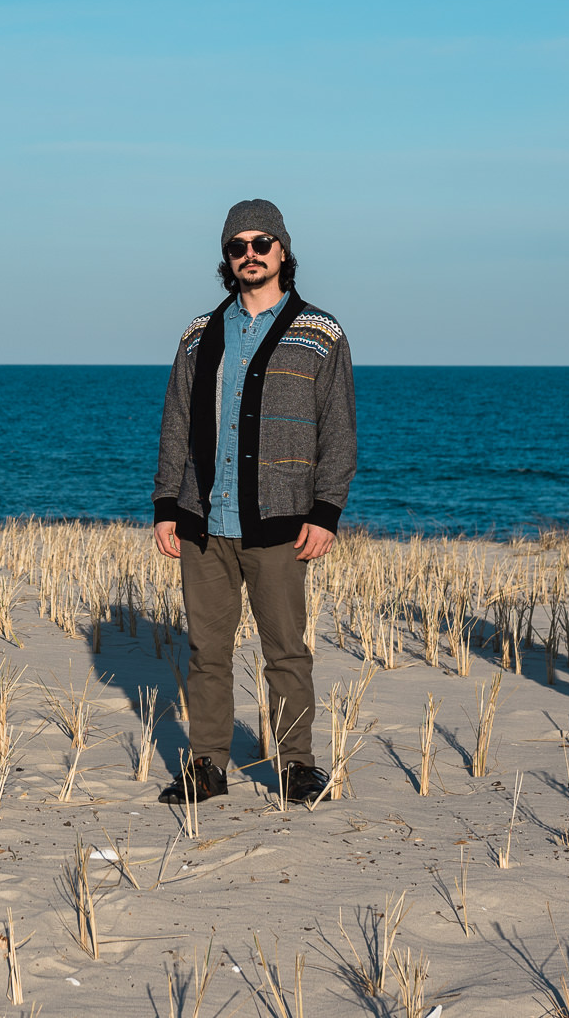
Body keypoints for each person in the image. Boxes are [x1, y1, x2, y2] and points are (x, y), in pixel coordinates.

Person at [151, 200, 356, 805]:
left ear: (283, 251)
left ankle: (295, 765)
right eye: (237, 245)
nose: (250, 254)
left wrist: (327, 510)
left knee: (286, 652)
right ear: (227, 257)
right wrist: (167, 503)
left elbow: (338, 429)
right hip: (203, 523)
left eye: (261, 243)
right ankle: (208, 765)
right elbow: (176, 424)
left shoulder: (322, 334)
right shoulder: (197, 334)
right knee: (206, 651)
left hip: (280, 523)